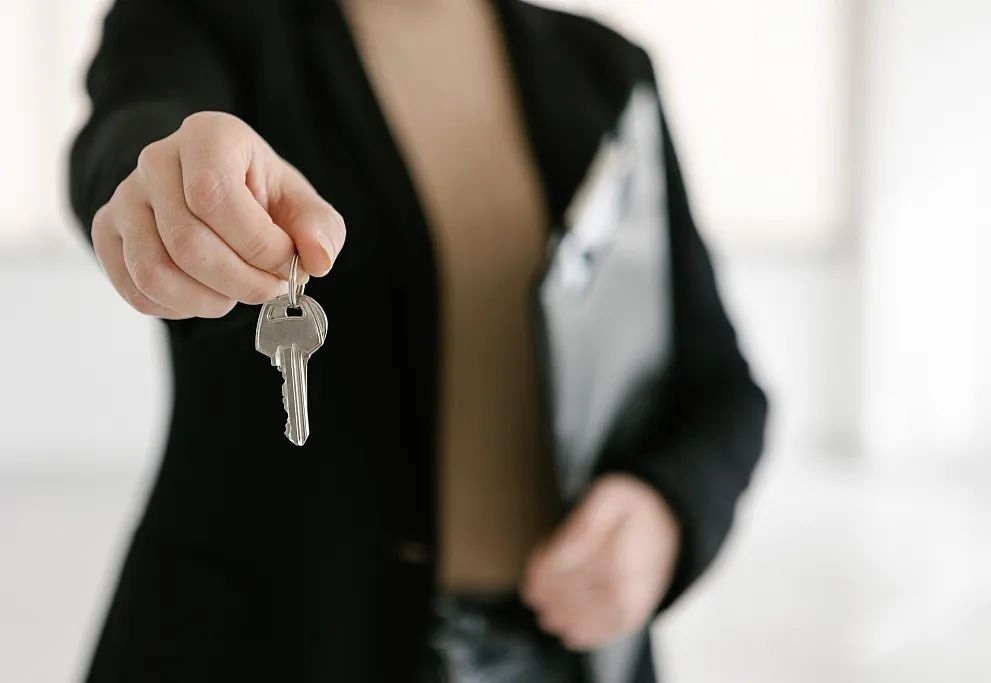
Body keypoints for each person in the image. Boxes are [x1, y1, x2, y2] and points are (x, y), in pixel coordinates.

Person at [69, 0, 767, 681]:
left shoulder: (606, 69)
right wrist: (168, 185)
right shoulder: (202, 18)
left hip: (564, 651)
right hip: (271, 642)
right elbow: (134, 132)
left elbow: (720, 382)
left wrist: (667, 510)